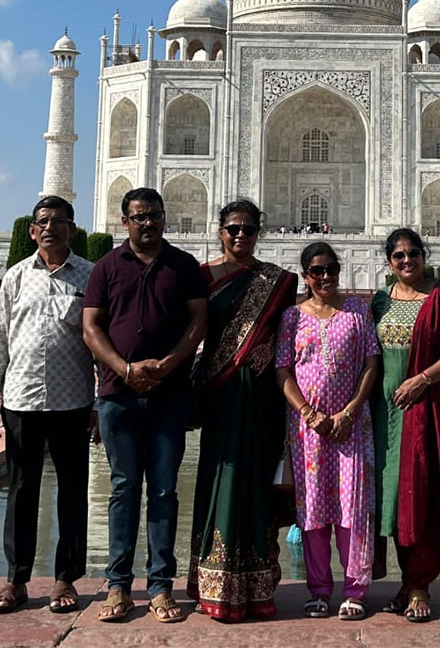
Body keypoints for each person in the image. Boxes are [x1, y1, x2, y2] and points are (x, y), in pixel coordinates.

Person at [83, 187, 208, 625]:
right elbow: (91, 326)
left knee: (162, 491)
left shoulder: (183, 266)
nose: (147, 223)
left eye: (154, 215)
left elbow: (198, 321)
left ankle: (159, 587)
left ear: (164, 217)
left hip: (170, 394)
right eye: (139, 217)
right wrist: (123, 367)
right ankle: (117, 585)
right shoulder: (107, 267)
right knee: (123, 489)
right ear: (125, 222)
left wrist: (170, 363)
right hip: (118, 395)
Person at [0, 196, 96, 615]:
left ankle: (66, 578)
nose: (51, 228)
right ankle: (17, 580)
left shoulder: (89, 275)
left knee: (72, 492)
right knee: (22, 491)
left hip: (73, 400)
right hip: (22, 399)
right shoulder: (14, 277)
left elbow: (100, 344)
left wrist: (98, 401)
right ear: (32, 230)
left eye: (59, 221)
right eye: (43, 222)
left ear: (72, 228)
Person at [186, 200, 298, 621]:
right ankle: (213, 581)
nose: (240, 235)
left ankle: (257, 584)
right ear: (220, 231)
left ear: (258, 233)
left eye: (249, 229)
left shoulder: (277, 280)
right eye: (233, 228)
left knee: (255, 485)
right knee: (222, 480)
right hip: (221, 395)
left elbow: (289, 336)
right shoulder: (201, 278)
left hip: (263, 401)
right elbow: (191, 331)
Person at [372, 228, 440, 623]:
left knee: (425, 493)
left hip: (428, 408)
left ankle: (421, 584)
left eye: (413, 254)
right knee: (395, 498)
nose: (406, 261)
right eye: (398, 256)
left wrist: (422, 380)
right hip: (387, 413)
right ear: (389, 261)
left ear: (424, 255)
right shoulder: (381, 301)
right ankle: (406, 580)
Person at [275, 242, 380, 620]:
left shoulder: (357, 311)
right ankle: (319, 589)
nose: (325, 277)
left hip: (351, 426)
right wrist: (307, 412)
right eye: (317, 271)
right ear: (305, 276)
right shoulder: (292, 317)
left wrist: (350, 410)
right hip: (309, 429)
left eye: (331, 269)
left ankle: (355, 589)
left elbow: (371, 363)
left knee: (353, 508)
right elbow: (283, 370)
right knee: (314, 510)